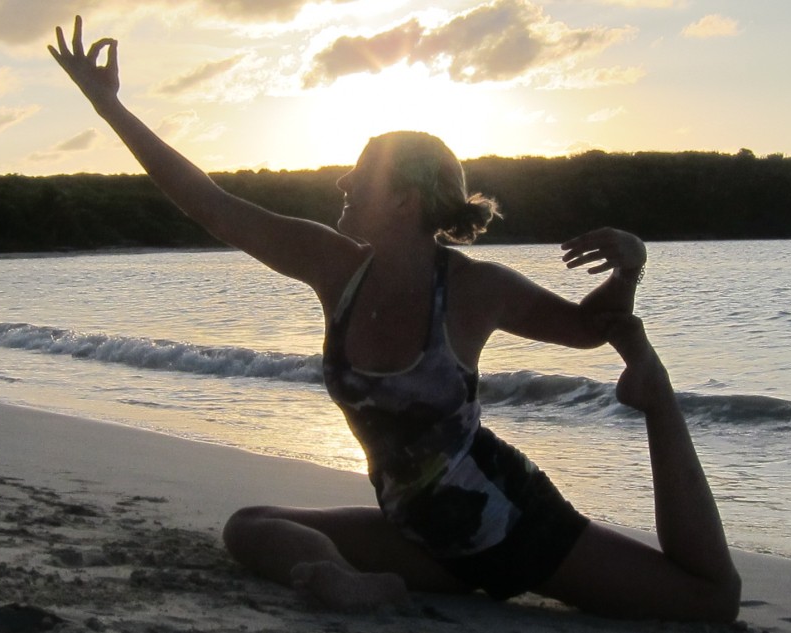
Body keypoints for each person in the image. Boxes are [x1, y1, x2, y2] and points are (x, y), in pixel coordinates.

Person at [49, 17, 740, 622]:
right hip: (417, 537)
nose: (344, 184)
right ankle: (353, 583)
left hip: (514, 527)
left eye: (362, 173)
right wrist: (110, 108)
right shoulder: (331, 265)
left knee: (710, 600)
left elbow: (593, 330)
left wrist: (632, 267)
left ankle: (660, 402)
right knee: (252, 525)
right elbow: (207, 202)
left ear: (406, 200)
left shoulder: (474, 288)